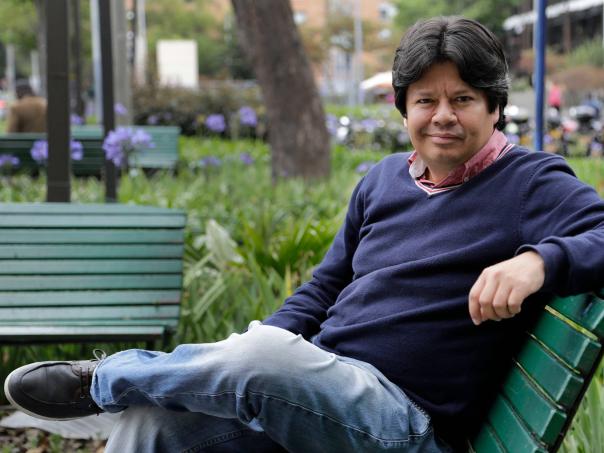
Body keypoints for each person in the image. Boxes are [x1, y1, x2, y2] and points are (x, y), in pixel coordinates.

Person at [5, 17, 604, 453]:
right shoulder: (383, 179)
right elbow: (323, 289)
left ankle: (107, 380)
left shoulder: (530, 182)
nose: (442, 115)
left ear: (494, 108)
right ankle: (136, 389)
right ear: (404, 110)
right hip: (319, 390)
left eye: (463, 99)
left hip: (404, 424)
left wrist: (538, 262)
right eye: (426, 100)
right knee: (152, 427)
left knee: (262, 356)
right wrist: (249, 360)